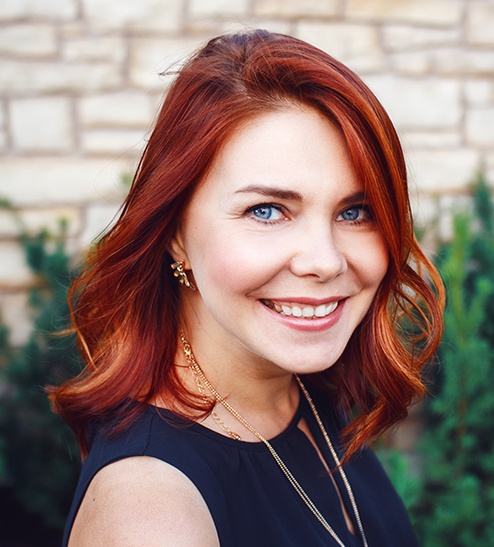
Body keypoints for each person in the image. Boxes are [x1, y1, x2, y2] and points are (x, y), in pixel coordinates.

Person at [51, 29, 444, 546]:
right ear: (175, 235)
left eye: (355, 211)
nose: (325, 261)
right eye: (266, 210)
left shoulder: (301, 387)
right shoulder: (151, 515)